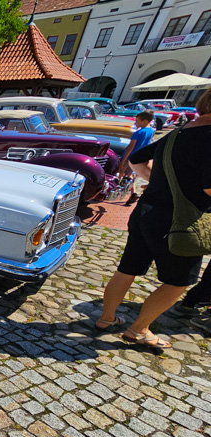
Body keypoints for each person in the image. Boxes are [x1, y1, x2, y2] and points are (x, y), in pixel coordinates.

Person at [94, 86, 211, 349]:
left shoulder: (180, 132)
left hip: (146, 210)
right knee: (179, 282)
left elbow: (137, 158)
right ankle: (139, 329)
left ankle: (106, 318)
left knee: (128, 268)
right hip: (180, 220)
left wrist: (155, 180)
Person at [120, 111, 156, 204]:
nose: (135, 123)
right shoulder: (150, 131)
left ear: (144, 121)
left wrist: (123, 160)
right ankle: (133, 193)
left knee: (121, 173)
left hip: (130, 157)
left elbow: (130, 147)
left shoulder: (137, 133)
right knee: (130, 175)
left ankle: (115, 190)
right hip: (140, 157)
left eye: (137, 121)